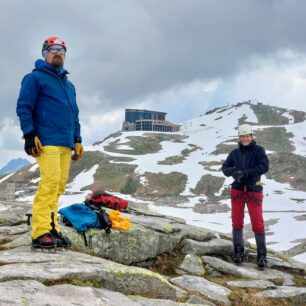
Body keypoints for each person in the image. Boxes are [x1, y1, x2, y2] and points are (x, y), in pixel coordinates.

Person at [16, 36, 84, 250]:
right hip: (47, 141)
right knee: (50, 183)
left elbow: (74, 114)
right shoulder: (34, 78)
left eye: (62, 50)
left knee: (59, 186)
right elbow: (24, 107)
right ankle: (40, 232)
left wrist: (77, 139)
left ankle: (52, 227)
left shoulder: (69, 85)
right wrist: (29, 134)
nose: (58, 53)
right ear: (45, 52)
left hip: (65, 143)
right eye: (53, 49)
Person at [222, 124, 269, 269]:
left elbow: (264, 166)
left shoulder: (259, 151)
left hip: (253, 189)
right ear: (239, 138)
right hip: (237, 190)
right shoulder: (234, 153)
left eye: (247, 136)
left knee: (257, 223)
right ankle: (238, 253)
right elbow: (225, 168)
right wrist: (234, 172)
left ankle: (261, 256)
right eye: (242, 137)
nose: (245, 139)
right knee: (237, 221)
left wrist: (245, 173)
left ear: (251, 136)